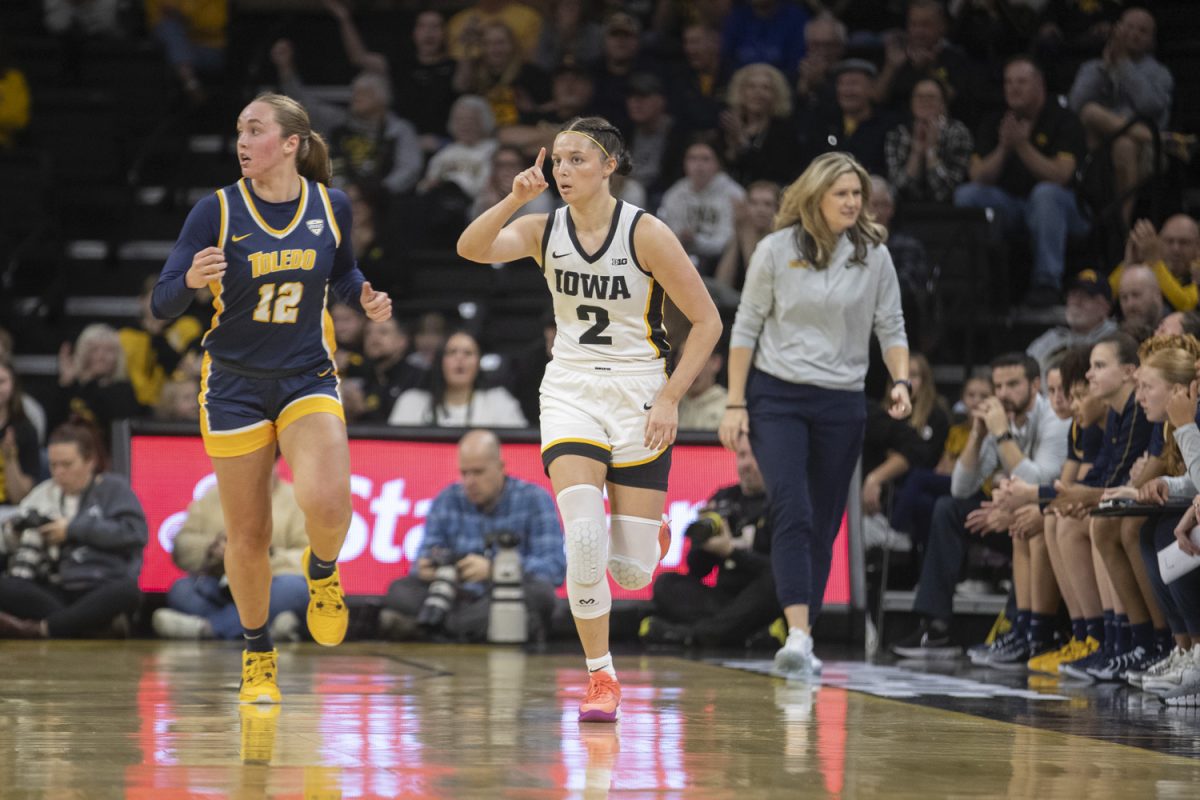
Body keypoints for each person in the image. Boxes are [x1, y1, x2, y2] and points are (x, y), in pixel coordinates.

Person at [457, 116, 722, 721]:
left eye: (579, 160)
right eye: (558, 160)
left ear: (610, 167)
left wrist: (672, 398)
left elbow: (707, 321)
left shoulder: (646, 233)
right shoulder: (541, 226)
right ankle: (601, 678)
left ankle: (645, 539)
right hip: (571, 387)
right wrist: (513, 197)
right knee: (581, 535)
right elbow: (470, 249)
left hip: (639, 390)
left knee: (629, 571)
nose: (563, 170)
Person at [151, 92, 393, 705]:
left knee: (328, 503)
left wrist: (363, 295)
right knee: (249, 534)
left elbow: (342, 272)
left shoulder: (330, 205)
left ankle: (322, 572)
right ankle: (258, 653)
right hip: (232, 385)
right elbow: (162, 302)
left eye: (254, 130)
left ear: (290, 143)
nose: (242, 141)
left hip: (306, 374)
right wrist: (190, 281)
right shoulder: (216, 211)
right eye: (238, 130)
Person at [718, 151, 911, 676]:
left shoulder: (874, 255)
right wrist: (735, 402)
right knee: (793, 509)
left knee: (824, 525)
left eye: (858, 194)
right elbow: (746, 328)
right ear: (816, 197)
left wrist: (899, 379)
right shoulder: (776, 250)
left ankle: (804, 628)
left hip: (842, 400)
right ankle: (799, 634)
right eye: (842, 194)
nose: (853, 203)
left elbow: (890, 326)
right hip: (776, 396)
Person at [891, 353, 1069, 659]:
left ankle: (1022, 629)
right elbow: (961, 488)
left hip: (1046, 510)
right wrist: (977, 434)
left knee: (1025, 520)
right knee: (948, 508)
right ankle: (936, 628)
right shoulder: (997, 419)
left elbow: (1041, 483)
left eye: (1012, 384)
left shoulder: (1054, 419)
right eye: (998, 386)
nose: (1002, 394)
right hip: (1010, 510)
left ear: (1035, 385)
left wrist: (1001, 434)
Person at [378, 429, 565, 642]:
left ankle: (438, 629)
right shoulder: (447, 498)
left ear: (500, 468)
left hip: (502, 595)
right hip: (455, 595)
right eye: (464, 473)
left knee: (541, 595)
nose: (470, 481)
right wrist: (428, 569)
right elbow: (423, 556)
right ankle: (470, 630)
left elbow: (554, 568)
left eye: (478, 472)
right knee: (399, 590)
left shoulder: (534, 499)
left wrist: (495, 570)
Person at [953, 56, 1089, 308]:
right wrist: (1005, 147)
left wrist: (1022, 146)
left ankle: (1046, 284)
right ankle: (977, 281)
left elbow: (1061, 175)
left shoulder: (1063, 119)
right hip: (1014, 207)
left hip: (1065, 210)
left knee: (1045, 193)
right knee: (967, 195)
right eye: (1008, 82)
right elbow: (979, 175)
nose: (1013, 88)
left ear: (1040, 85)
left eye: (1022, 82)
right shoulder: (995, 122)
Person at [0, 420, 145, 639]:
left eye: (67, 465)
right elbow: (7, 540)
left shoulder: (113, 489)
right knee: (7, 586)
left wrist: (72, 530)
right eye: (53, 465)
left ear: (90, 461)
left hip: (100, 584)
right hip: (56, 586)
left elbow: (135, 533)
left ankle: (44, 628)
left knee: (128, 592)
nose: (59, 473)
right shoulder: (43, 493)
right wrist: (14, 533)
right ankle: (90, 625)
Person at [641, 432, 779, 647]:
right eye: (742, 456)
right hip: (723, 600)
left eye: (755, 456)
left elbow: (780, 570)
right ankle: (747, 635)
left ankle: (693, 635)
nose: (747, 464)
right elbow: (697, 569)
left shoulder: (780, 503)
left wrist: (732, 552)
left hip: (759, 597)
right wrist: (703, 542)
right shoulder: (725, 497)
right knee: (665, 584)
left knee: (777, 582)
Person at [153, 465, 310, 643]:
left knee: (295, 589)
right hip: (220, 584)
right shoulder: (212, 498)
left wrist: (267, 556)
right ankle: (266, 630)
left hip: (271, 584)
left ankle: (208, 629)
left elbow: (312, 557)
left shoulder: (296, 500)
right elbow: (181, 547)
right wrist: (212, 548)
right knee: (181, 589)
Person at [388, 330, 527, 428]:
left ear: (478, 363)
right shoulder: (411, 402)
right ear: (439, 361)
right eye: (452, 352)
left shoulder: (499, 401)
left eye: (468, 353)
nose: (460, 359)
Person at [884, 78, 973, 205]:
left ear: (943, 103)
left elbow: (945, 191)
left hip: (951, 210)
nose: (924, 101)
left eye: (931, 97)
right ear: (911, 103)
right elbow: (899, 190)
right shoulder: (898, 134)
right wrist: (916, 152)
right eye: (919, 97)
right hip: (905, 210)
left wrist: (931, 150)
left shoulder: (958, 133)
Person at [0, 359, 38, 507]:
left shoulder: (25, 430)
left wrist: (10, 459)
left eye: (2, 381)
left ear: (13, 384)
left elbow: (20, 498)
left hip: (9, 511)